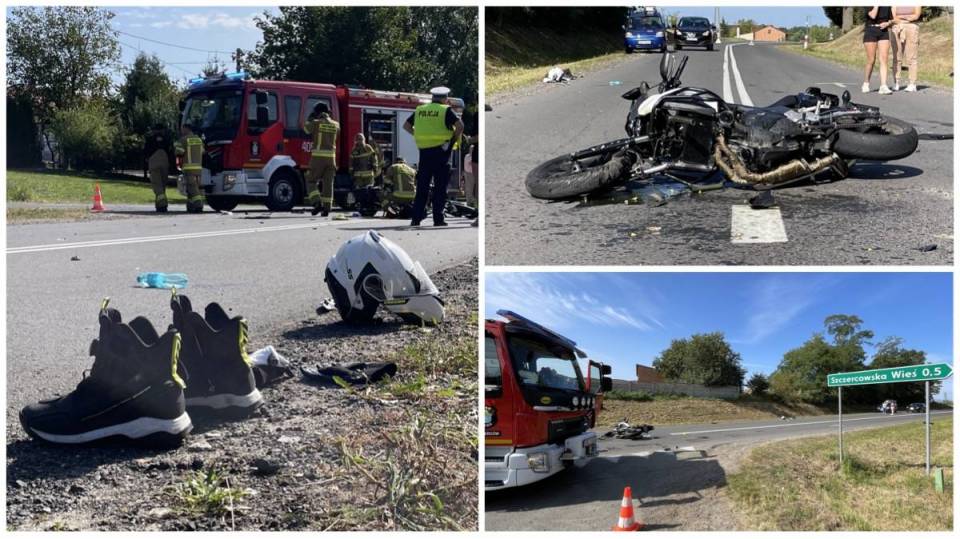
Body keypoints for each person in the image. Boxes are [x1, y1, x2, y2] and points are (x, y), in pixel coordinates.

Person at [403, 86, 464, 227]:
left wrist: (417, 135)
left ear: (432, 97)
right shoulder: (445, 110)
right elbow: (460, 126)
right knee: (440, 188)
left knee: (422, 188)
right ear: (445, 98)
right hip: (441, 153)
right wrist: (452, 140)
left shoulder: (420, 110)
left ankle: (416, 218)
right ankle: (438, 219)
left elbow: (406, 126)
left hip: (424, 153)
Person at [302, 102, 339, 216]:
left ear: (317, 112)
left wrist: (311, 117)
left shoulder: (316, 123)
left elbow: (306, 129)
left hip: (318, 158)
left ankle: (317, 202)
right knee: (328, 184)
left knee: (310, 180)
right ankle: (327, 208)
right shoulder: (336, 124)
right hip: (332, 158)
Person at [143, 123, 175, 213]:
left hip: (154, 161)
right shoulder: (167, 139)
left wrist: (147, 163)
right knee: (162, 184)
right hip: (165, 161)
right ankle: (160, 205)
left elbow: (145, 152)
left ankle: (162, 205)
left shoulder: (150, 138)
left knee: (157, 184)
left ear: (155, 130)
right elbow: (171, 152)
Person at [174, 123, 205, 213]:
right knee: (195, 187)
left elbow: (179, 152)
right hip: (198, 168)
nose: (181, 131)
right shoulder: (199, 140)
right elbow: (203, 152)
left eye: (182, 129)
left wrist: (176, 146)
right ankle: (191, 206)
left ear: (186, 129)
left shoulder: (184, 140)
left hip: (188, 168)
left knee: (192, 187)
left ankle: (198, 204)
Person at [863, 6, 894, 94]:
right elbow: (872, 15)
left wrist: (888, 24)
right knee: (871, 60)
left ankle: (883, 86)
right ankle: (866, 83)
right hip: (871, 30)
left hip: (883, 31)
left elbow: (892, 20)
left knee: (884, 59)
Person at [891, 6, 922, 92]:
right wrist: (908, 17)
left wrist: (902, 17)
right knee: (897, 57)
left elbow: (916, 15)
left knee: (912, 57)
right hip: (897, 28)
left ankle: (912, 84)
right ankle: (896, 82)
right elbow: (894, 16)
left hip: (912, 28)